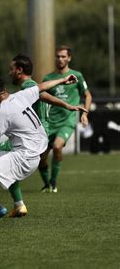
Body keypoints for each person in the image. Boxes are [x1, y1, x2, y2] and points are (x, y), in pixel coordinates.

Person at [0, 73, 80, 232]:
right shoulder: (21, 95)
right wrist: (63, 80)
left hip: (25, 156)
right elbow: (42, 86)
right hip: (28, 152)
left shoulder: (2, 112)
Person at [0, 54, 87, 218]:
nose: (9, 73)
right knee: (7, 161)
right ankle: (18, 205)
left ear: (19, 70)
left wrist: (68, 106)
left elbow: (44, 96)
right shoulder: (32, 85)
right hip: (39, 134)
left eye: (11, 69)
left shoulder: (29, 85)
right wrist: (67, 105)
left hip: (35, 136)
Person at [40, 45, 92, 193]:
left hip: (67, 121)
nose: (60, 59)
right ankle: (47, 184)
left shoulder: (77, 76)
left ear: (69, 58)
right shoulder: (48, 78)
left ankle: (54, 182)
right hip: (49, 122)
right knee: (40, 158)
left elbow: (87, 95)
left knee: (57, 146)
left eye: (63, 56)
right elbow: (41, 97)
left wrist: (84, 113)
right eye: (58, 56)